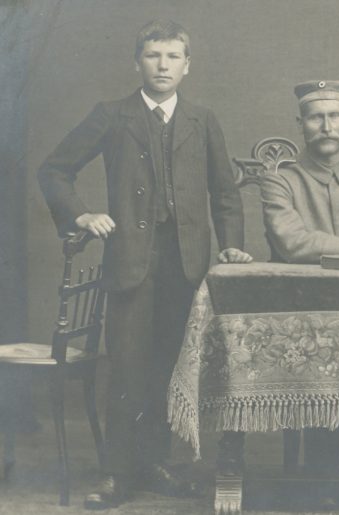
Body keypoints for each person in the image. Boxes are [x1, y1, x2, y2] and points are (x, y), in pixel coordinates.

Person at [38, 20, 252, 509]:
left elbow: (225, 192)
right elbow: (54, 169)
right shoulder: (112, 115)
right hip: (132, 262)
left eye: (172, 57)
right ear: (137, 62)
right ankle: (117, 474)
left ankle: (155, 463)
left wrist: (232, 245)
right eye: (153, 56)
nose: (162, 65)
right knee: (128, 366)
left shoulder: (203, 119)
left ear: (187, 65)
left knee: (169, 368)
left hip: (186, 263)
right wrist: (82, 213)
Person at [216, 80, 339, 501]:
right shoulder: (280, 182)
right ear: (301, 124)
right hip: (307, 314)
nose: (326, 126)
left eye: (334, 116)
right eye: (315, 117)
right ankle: (319, 480)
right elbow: (295, 244)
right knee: (319, 361)